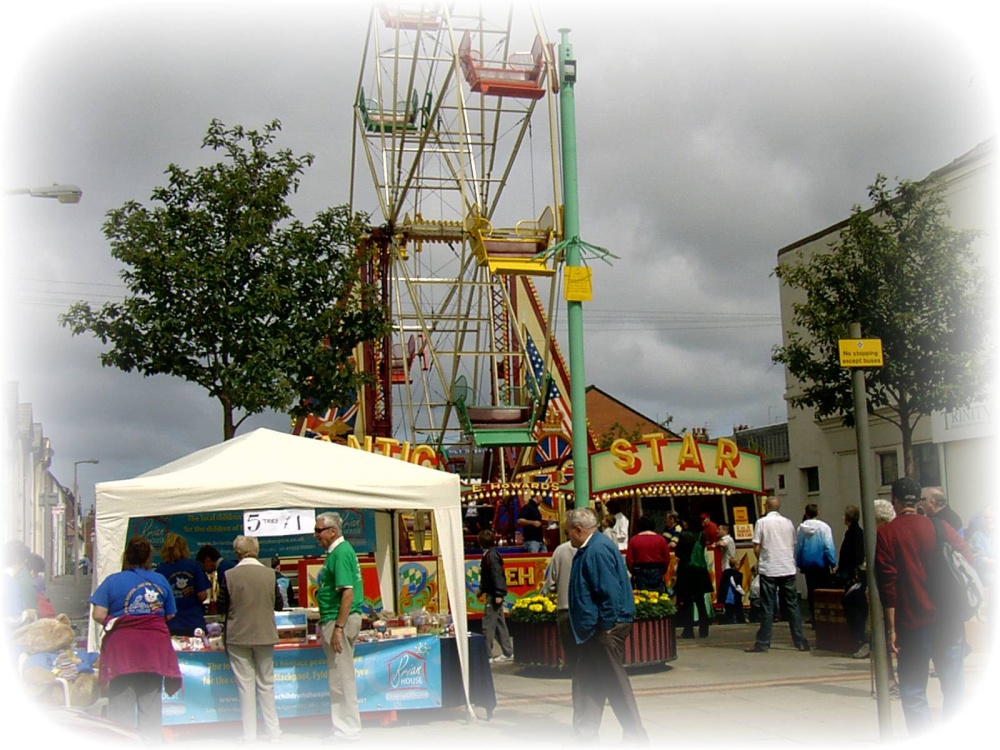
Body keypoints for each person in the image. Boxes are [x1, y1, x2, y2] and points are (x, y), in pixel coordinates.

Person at [875, 477, 973, 734]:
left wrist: (891, 628)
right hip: (949, 621)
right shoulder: (940, 527)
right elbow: (966, 558)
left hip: (912, 622)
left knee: (914, 689)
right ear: (917, 501)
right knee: (953, 688)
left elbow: (888, 584)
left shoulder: (887, 533)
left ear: (893, 501)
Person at [565, 507, 648, 744]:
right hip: (594, 629)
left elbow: (609, 592)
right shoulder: (592, 547)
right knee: (586, 681)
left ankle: (635, 735)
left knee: (613, 683)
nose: (567, 536)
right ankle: (585, 735)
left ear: (579, 530)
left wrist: (606, 625)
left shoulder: (596, 550)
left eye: (568, 531)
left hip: (603, 629)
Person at [89, 536, 181, 742]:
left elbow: (98, 614)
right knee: (150, 709)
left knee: (120, 713)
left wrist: (121, 620)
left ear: (126, 556)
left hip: (122, 651)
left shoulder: (113, 581)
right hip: (153, 651)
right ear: (149, 557)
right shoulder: (160, 581)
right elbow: (170, 614)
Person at [217, 535, 282, 744]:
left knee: (245, 687)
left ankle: (249, 735)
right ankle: (274, 733)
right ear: (257, 551)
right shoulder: (271, 574)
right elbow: (279, 605)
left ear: (237, 553)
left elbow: (221, 607)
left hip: (238, 636)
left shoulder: (228, 575)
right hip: (265, 633)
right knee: (267, 684)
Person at [314, 512, 363, 741]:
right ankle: (343, 726)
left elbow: (348, 593)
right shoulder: (336, 553)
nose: (316, 536)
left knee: (342, 677)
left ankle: (348, 729)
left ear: (333, 531)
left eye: (319, 530)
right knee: (338, 676)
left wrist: (338, 627)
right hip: (334, 618)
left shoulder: (341, 553)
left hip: (338, 619)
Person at [745, 496, 810, 653]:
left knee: (768, 606)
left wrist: (761, 560)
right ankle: (799, 641)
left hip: (770, 568)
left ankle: (763, 642)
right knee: (792, 605)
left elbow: (756, 546)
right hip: (787, 567)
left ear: (766, 506)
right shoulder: (788, 522)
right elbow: (792, 544)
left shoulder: (762, 522)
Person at [156, 532, 211, 636]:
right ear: (185, 548)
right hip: (193, 621)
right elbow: (203, 595)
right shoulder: (195, 566)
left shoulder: (160, 570)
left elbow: (158, 600)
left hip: (170, 624)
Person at [794, 503, 837, 625]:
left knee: (811, 590)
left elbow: (799, 547)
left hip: (808, 565)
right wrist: (832, 562)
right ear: (818, 513)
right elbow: (828, 547)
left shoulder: (801, 529)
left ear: (806, 514)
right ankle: (824, 615)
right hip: (822, 564)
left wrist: (799, 563)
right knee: (824, 590)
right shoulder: (824, 528)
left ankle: (813, 616)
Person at [477, 529, 513, 663]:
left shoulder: (490, 556)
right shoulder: (489, 555)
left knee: (488, 625)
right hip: (492, 592)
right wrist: (481, 589)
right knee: (499, 623)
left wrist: (498, 592)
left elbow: (497, 575)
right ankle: (508, 651)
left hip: (493, 594)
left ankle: (487, 654)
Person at [543, 538, 578, 673]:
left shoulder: (560, 550)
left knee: (572, 653)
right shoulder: (598, 548)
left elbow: (551, 583)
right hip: (588, 611)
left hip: (565, 608)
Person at [674, 530, 713, 638]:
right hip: (700, 571)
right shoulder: (701, 535)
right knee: (700, 601)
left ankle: (688, 630)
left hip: (686, 571)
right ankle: (704, 630)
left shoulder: (684, 535)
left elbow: (678, 553)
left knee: (687, 602)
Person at [625, 514, 671, 593]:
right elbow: (667, 558)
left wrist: (633, 571)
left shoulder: (634, 540)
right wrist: (662, 570)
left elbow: (629, 560)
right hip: (657, 572)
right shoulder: (661, 539)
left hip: (639, 572)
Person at [836, 505, 866, 588]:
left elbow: (846, 554)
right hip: (853, 570)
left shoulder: (850, 534)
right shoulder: (860, 532)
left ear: (847, 518)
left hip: (849, 573)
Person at [718, 558, 746, 624]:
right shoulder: (737, 574)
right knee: (738, 609)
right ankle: (740, 621)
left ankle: (728, 621)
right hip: (734, 595)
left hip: (726, 595)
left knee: (728, 610)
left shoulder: (725, 573)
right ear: (736, 565)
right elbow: (736, 584)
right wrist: (743, 592)